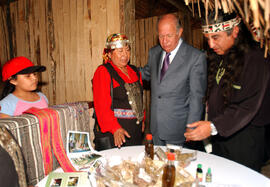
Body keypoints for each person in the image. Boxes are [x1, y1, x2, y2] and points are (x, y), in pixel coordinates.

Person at [184, 11, 270, 171]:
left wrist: (212, 126)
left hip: (244, 141)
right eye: (207, 38)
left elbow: (247, 106)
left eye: (215, 37)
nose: (210, 45)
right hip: (220, 135)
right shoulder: (221, 55)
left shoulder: (255, 58)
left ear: (235, 31)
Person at [140, 14, 207, 146]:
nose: (164, 41)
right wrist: (123, 69)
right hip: (155, 127)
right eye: (161, 36)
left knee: (176, 166)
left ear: (179, 32)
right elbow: (147, 73)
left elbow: (196, 96)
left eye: (169, 36)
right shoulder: (154, 53)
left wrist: (191, 127)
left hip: (179, 129)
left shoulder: (195, 57)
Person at [92, 33, 144, 150]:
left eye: (127, 50)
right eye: (120, 51)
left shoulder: (135, 71)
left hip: (135, 131)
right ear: (109, 54)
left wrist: (142, 119)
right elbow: (101, 106)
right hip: (116, 134)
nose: (125, 55)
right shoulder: (103, 72)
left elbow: (139, 98)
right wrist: (115, 128)